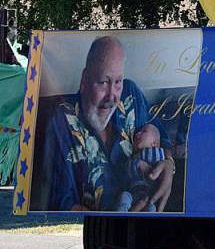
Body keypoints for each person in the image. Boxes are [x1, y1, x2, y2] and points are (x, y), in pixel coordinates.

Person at [43, 36, 175, 212]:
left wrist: (169, 164)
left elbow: (161, 137)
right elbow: (61, 202)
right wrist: (112, 220)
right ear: (84, 80)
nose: (111, 96)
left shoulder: (131, 94)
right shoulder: (63, 121)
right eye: (103, 82)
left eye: (117, 82)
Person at [112, 124, 165, 212]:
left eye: (143, 131)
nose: (137, 134)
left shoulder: (156, 154)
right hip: (133, 193)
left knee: (151, 208)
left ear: (154, 143)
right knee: (123, 197)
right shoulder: (133, 156)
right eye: (137, 132)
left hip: (149, 196)